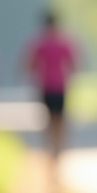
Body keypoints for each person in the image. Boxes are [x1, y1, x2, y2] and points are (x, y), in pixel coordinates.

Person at [24, 10, 77, 162]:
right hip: (60, 86)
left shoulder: (39, 42)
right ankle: (58, 152)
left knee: (48, 121)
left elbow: (30, 65)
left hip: (45, 86)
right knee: (60, 121)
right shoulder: (64, 41)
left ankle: (51, 152)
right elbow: (73, 65)